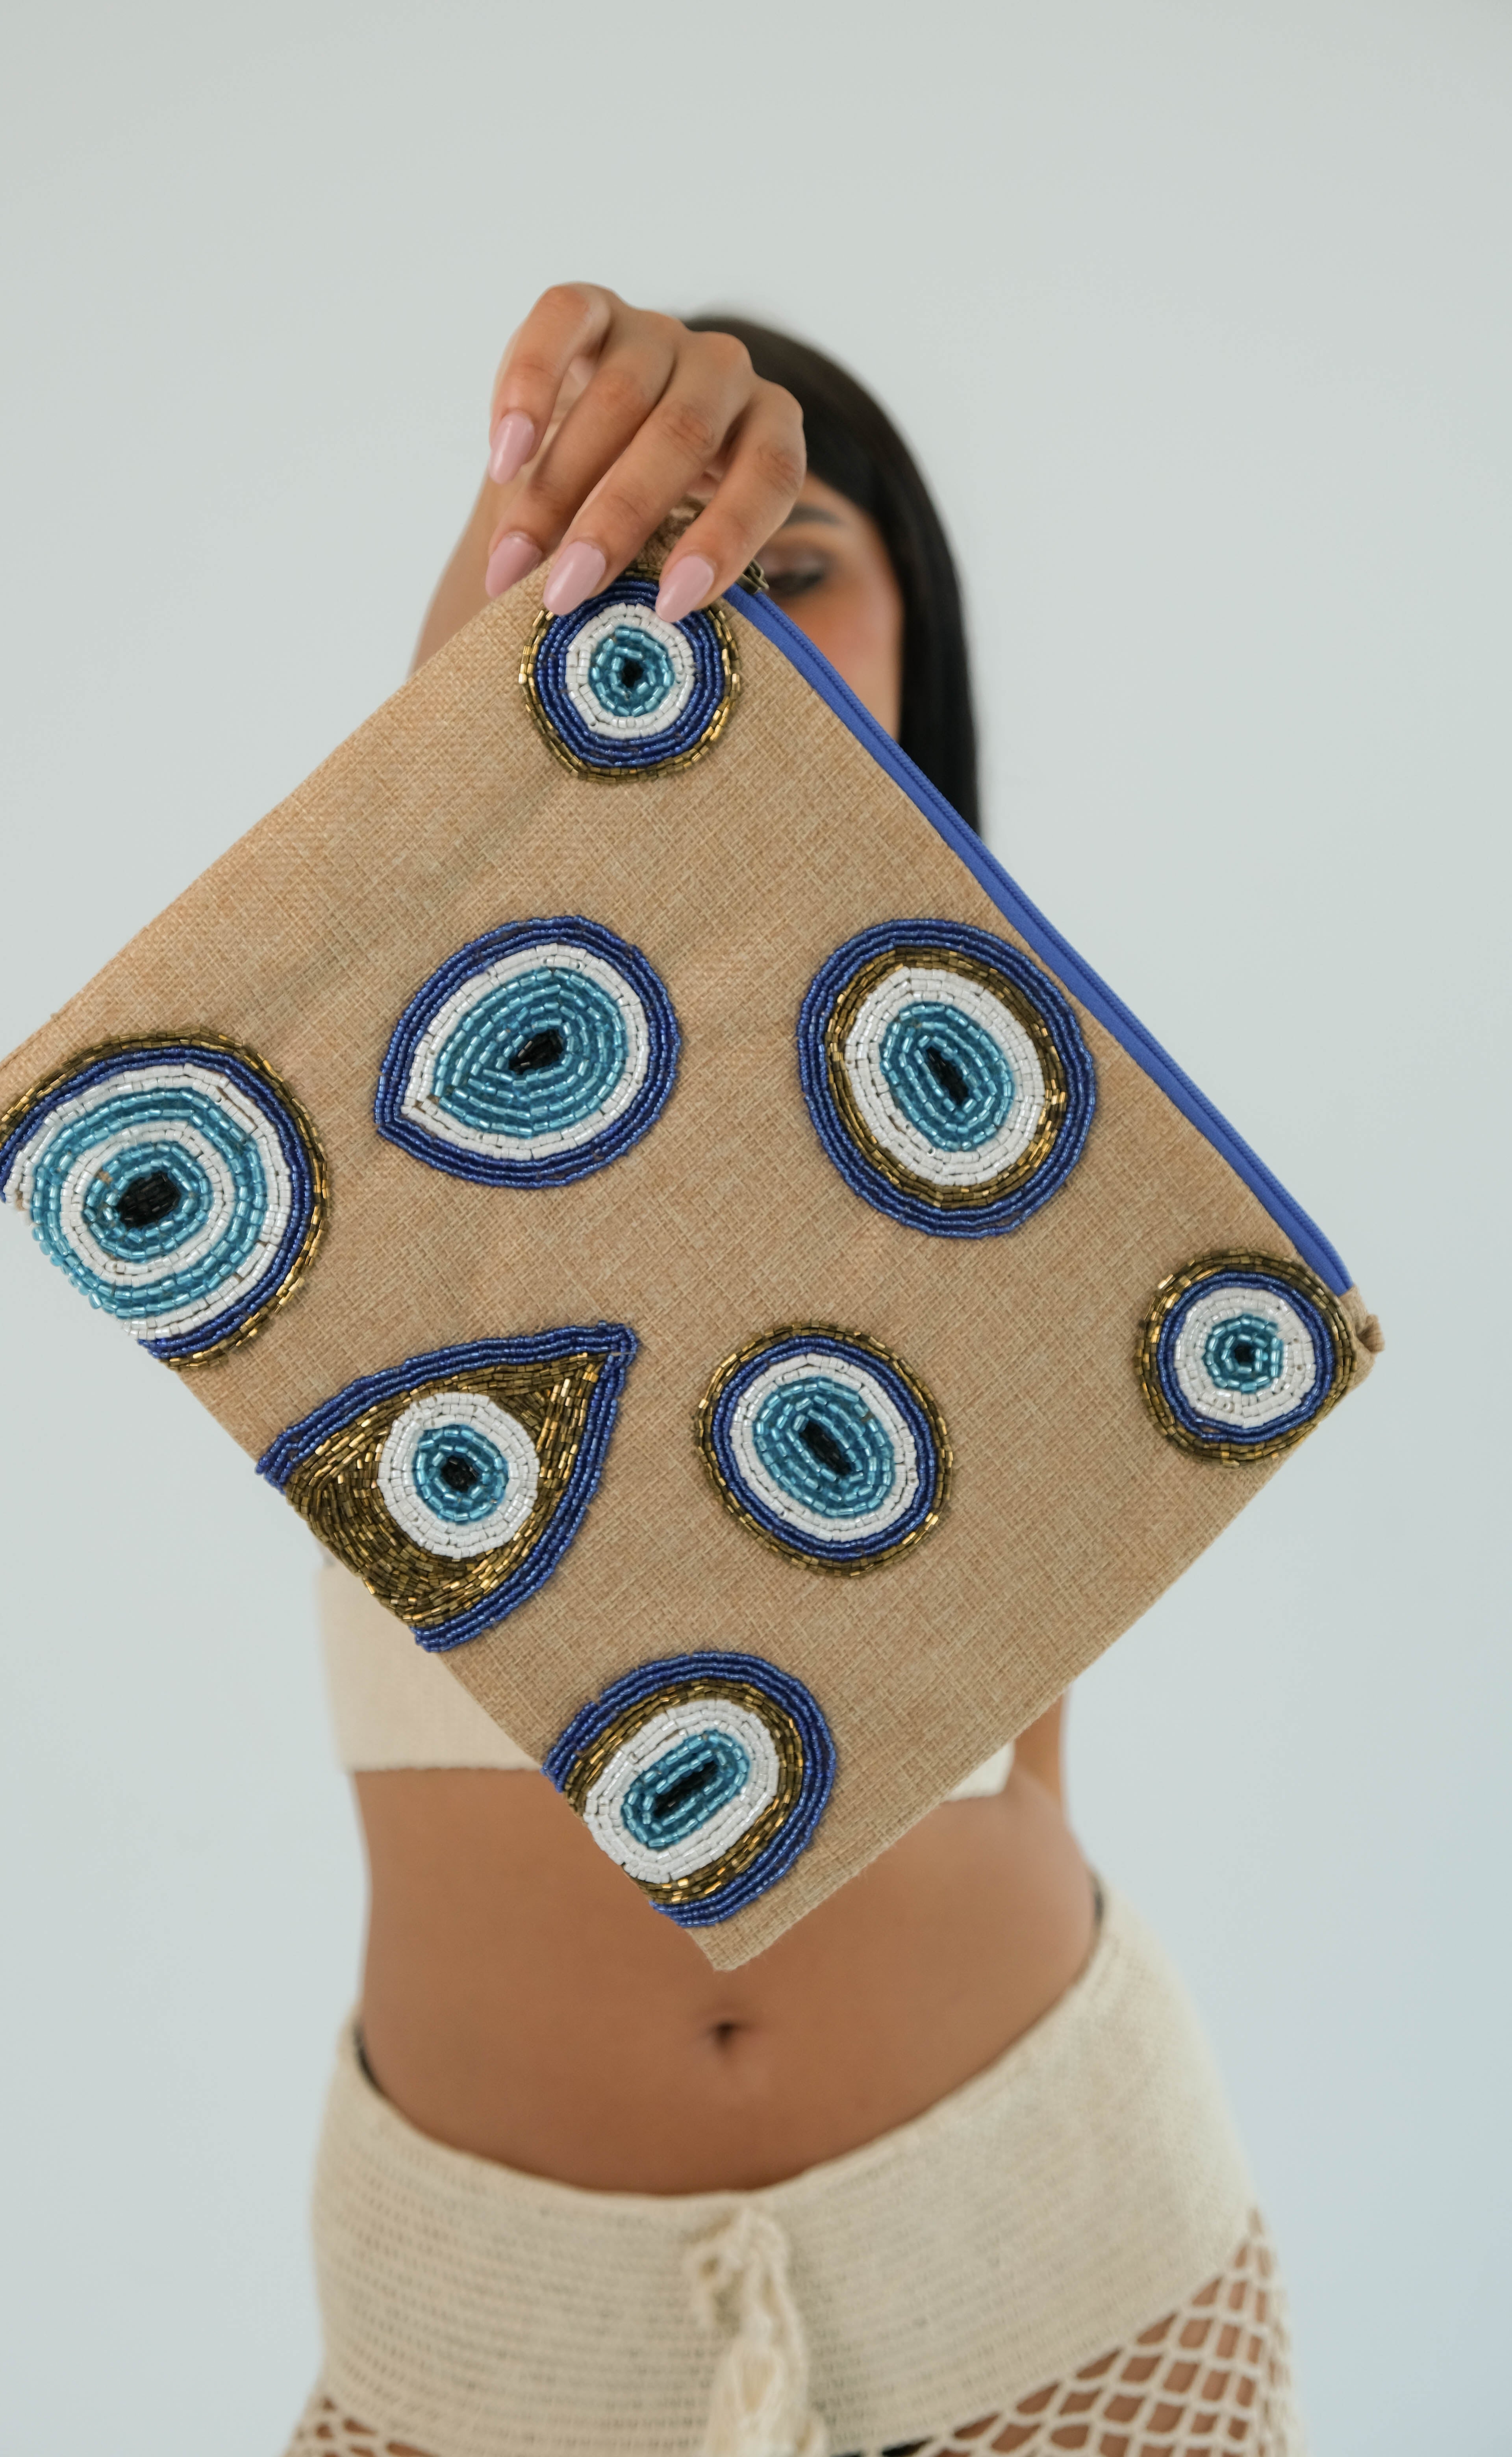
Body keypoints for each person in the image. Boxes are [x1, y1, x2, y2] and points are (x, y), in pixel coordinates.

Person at [289, 286, 1302, 2457]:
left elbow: (1023, 1746)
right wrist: (571, 482)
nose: (718, 591)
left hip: (1059, 2259)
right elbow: (451, 760)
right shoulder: (425, 1046)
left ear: (919, 654)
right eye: (649, 552)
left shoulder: (1006, 1114)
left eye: (797, 557)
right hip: (493, 2325)